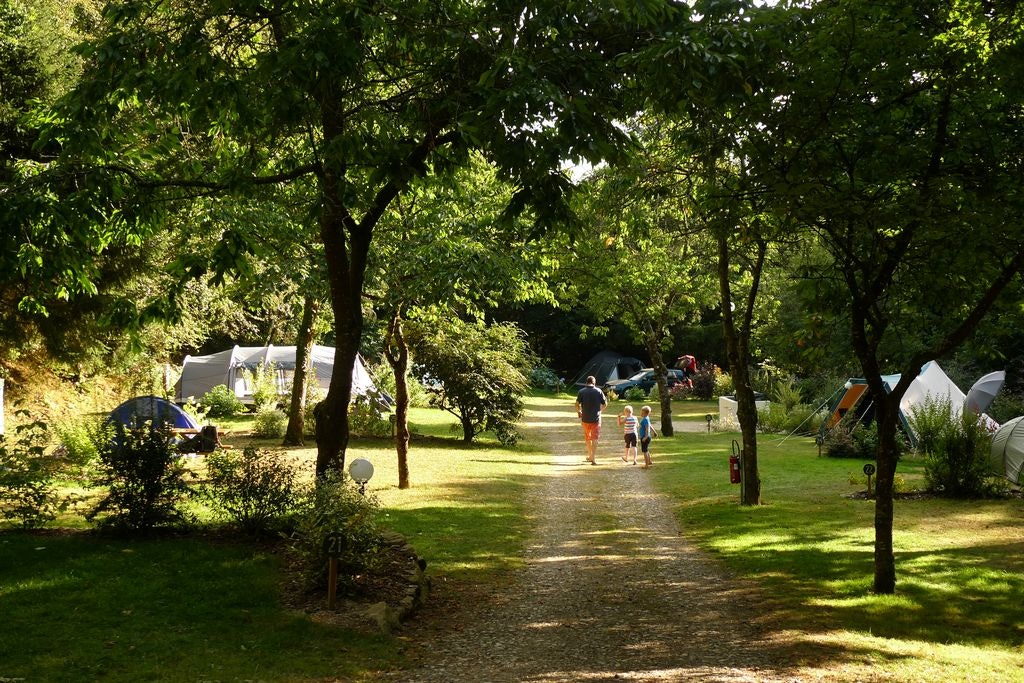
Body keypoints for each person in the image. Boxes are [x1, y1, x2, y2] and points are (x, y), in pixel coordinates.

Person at [575, 375, 607, 465]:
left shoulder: (581, 391)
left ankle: (589, 455)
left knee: (588, 438)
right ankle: (593, 457)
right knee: (595, 438)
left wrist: (579, 411)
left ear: (586, 382)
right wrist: (600, 411)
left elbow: (576, 404)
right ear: (594, 382)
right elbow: (605, 404)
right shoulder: (599, 391)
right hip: (596, 419)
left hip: (585, 419)